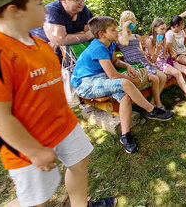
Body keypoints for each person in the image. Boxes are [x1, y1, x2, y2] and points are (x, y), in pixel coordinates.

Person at [0, 0, 116, 207]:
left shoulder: (41, 46)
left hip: (63, 126)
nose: (46, 9)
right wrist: (35, 151)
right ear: (14, 10)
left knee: (80, 163)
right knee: (36, 200)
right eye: (38, 3)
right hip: (29, 143)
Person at [71, 16, 174, 154]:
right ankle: (152, 110)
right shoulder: (97, 47)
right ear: (102, 34)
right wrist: (133, 81)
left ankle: (125, 135)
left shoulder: (110, 43)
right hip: (85, 83)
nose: (117, 32)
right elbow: (113, 76)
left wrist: (126, 65)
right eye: (113, 30)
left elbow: (115, 61)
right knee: (126, 82)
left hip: (101, 78)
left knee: (126, 96)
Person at [117, 10, 168, 109]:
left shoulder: (137, 36)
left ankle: (153, 101)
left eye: (131, 21)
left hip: (144, 63)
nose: (130, 23)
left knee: (163, 76)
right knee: (155, 78)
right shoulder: (120, 36)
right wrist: (124, 28)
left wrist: (149, 62)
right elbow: (125, 43)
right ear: (122, 22)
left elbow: (142, 52)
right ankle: (159, 104)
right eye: (127, 21)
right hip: (135, 66)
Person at [30, 0, 94, 55]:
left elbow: (89, 31)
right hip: (42, 51)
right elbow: (60, 40)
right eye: (77, 0)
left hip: (68, 53)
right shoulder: (53, 11)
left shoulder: (83, 9)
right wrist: (86, 36)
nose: (82, 3)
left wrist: (66, 39)